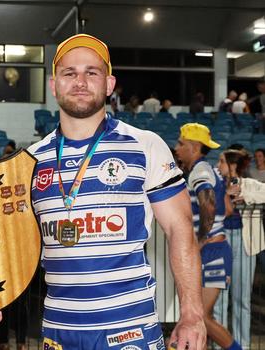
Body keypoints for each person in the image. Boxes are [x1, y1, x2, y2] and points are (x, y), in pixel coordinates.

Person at [28, 34, 206, 350]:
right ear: (54, 85)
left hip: (129, 332)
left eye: (91, 72)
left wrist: (192, 313)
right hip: (57, 332)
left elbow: (180, 230)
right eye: (69, 73)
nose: (80, 81)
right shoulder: (30, 160)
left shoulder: (145, 145)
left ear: (109, 84)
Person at [174, 123, 241, 350]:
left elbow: (209, 205)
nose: (177, 148)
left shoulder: (200, 171)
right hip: (214, 250)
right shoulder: (207, 170)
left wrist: (199, 241)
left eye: (181, 143)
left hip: (212, 251)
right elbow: (227, 210)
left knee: (200, 317)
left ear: (194, 147)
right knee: (200, 320)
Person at [213, 148, 255, 348]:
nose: (217, 165)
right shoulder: (215, 185)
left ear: (233, 165)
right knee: (219, 299)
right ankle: (221, 344)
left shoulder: (249, 184)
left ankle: (243, 345)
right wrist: (225, 195)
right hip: (221, 240)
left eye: (221, 161)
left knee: (242, 300)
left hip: (245, 242)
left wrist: (246, 196)